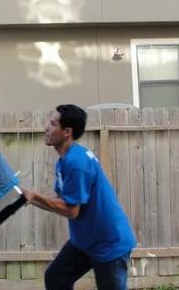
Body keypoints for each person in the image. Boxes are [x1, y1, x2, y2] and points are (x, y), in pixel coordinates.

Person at [22, 104, 135, 290]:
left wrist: (35, 197)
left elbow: (71, 210)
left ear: (66, 132)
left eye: (52, 124)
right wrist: (30, 199)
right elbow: (62, 202)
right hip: (85, 241)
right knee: (56, 278)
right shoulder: (65, 160)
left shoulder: (76, 162)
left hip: (109, 243)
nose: (46, 128)